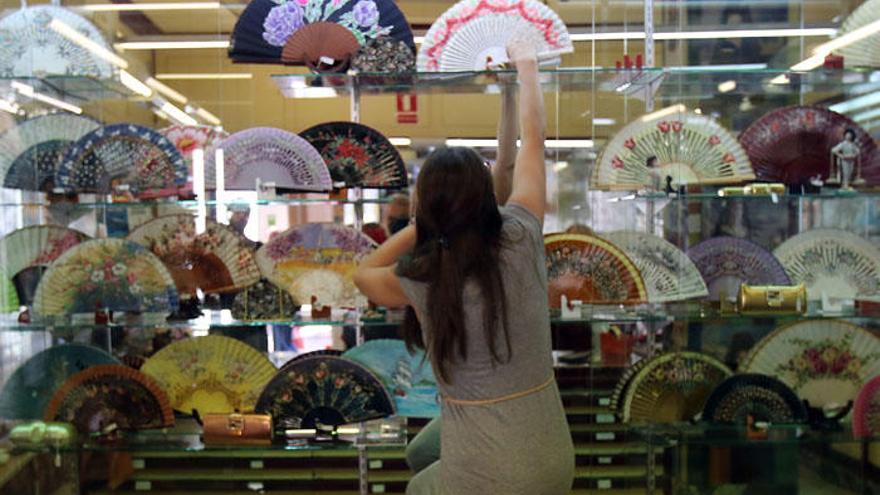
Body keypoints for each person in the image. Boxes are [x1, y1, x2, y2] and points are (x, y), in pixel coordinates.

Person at [353, 41, 574, 494]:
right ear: (484, 195)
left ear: (427, 205)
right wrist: (524, 73)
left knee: (416, 487)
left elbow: (362, 274)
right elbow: (530, 143)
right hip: (552, 455)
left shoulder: (423, 276)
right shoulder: (520, 233)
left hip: (490, 470)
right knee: (420, 454)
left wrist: (421, 225)